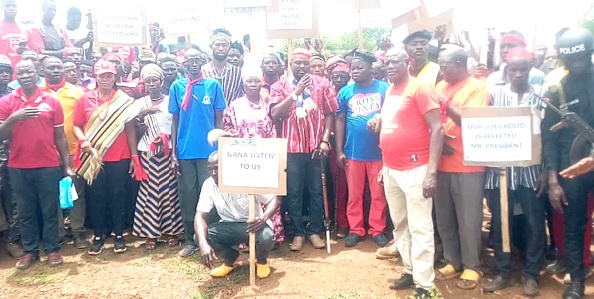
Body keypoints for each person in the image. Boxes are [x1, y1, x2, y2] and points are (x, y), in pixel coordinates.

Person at [370, 48, 444, 298]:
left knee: (420, 225)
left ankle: (424, 284)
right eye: (386, 62)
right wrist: (377, 124)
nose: (389, 65)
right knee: (400, 224)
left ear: (408, 62)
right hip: (391, 169)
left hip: (416, 168)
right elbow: (392, 125)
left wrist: (431, 172)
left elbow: (438, 129)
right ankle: (410, 270)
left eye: (395, 61)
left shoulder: (420, 89)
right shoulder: (390, 90)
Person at [480, 47, 546, 296]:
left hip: (531, 172)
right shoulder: (495, 95)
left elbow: (547, 135)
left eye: (523, 69)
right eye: (513, 70)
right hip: (501, 172)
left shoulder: (540, 95)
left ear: (530, 70)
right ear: (506, 71)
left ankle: (531, 275)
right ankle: (504, 272)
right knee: (500, 224)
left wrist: (546, 170)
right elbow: (485, 131)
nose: (518, 74)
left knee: (534, 224)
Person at [0, 59, 73, 269]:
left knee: (50, 209)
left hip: (48, 165)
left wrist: (67, 165)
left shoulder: (51, 101)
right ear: (16, 76)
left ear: (37, 73)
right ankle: (30, 251)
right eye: (20, 73)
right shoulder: (7, 102)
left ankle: (52, 250)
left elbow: (60, 137)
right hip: (18, 166)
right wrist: (14, 118)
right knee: (25, 211)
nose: (25, 76)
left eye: (29, 72)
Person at [542, 27, 594, 299]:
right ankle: (575, 281)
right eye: (572, 58)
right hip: (570, 168)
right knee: (574, 225)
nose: (578, 63)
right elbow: (549, 139)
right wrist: (553, 180)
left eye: (583, 56)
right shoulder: (557, 88)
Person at [269, 48, 338, 251]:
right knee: (294, 192)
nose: (301, 67)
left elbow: (330, 113)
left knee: (317, 191)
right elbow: (275, 114)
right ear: (290, 64)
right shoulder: (279, 86)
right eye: (297, 63)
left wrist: (325, 140)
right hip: (291, 148)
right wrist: (295, 93)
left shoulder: (322, 84)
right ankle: (298, 232)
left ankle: (314, 231)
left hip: (316, 147)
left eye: (304, 63)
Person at [432, 47, 489, 290]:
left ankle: (471, 266)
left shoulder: (477, 88)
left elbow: (470, 120)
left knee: (468, 220)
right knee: (445, 218)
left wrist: (445, 103)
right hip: (440, 165)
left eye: (446, 66)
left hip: (468, 165)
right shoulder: (439, 87)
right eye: (440, 66)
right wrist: (439, 139)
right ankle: (452, 261)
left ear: (460, 64)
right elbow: (429, 120)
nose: (442, 71)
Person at [72, 59, 139, 255]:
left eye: (109, 75)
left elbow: (130, 130)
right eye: (102, 76)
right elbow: (76, 124)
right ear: (96, 77)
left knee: (118, 195)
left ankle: (119, 235)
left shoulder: (123, 100)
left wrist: (134, 156)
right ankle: (99, 235)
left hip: (119, 156)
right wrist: (83, 140)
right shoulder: (85, 99)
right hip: (93, 157)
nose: (105, 79)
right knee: (96, 196)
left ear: (115, 77)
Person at [169, 48, 226, 258]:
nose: (193, 63)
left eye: (197, 60)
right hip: (185, 152)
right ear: (183, 64)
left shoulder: (213, 85)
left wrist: (220, 146)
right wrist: (174, 152)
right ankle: (190, 240)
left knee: (211, 195)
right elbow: (174, 121)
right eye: (189, 60)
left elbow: (219, 118)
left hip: (208, 152)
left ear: (202, 62)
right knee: (188, 195)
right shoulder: (177, 87)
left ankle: (211, 238)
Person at [222, 65, 284, 246]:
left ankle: (272, 236)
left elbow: (276, 130)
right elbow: (227, 128)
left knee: (268, 196)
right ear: (243, 83)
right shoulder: (235, 105)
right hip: (243, 161)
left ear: (261, 83)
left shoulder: (269, 104)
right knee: (247, 198)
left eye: (256, 81)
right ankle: (246, 239)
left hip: (265, 159)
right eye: (249, 81)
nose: (253, 84)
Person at [335, 50, 389, 247]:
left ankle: (377, 229)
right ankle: (356, 229)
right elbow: (339, 120)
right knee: (354, 194)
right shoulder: (345, 92)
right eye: (352, 68)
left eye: (360, 68)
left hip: (378, 152)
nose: (355, 71)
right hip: (353, 152)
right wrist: (339, 150)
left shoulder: (384, 89)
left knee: (378, 194)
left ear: (370, 69)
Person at [195, 151, 277, 279]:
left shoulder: (247, 179)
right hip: (228, 226)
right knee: (200, 236)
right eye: (210, 169)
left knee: (267, 236)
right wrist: (202, 243)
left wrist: (263, 218)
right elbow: (200, 215)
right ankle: (229, 259)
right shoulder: (208, 185)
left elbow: (273, 200)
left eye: (217, 168)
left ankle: (261, 261)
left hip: (253, 225)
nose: (214, 173)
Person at [128, 64, 182, 249]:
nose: (152, 84)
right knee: (149, 193)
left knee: (169, 191)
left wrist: (168, 142)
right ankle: (151, 233)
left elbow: (176, 125)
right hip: (147, 154)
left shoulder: (170, 101)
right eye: (148, 81)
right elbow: (131, 130)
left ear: (161, 81)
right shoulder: (138, 104)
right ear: (144, 83)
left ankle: (172, 232)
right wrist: (142, 115)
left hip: (167, 153)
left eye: (155, 80)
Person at [39, 56, 88, 249]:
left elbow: (84, 120)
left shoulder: (77, 92)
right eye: (51, 68)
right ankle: (57, 233)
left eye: (59, 67)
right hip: (46, 155)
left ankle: (78, 232)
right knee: (51, 195)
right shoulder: (38, 93)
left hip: (74, 152)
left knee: (76, 194)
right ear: (42, 71)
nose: (56, 71)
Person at [0, 54, 22, 259]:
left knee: (14, 201)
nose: (4, 74)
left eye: (7, 70)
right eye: (0, 70)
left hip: (11, 155)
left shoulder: (15, 96)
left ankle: (12, 240)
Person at [327, 59, 350, 238]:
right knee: (335, 186)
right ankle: (338, 221)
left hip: (349, 144)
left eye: (343, 75)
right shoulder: (327, 93)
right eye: (335, 76)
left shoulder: (349, 92)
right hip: (330, 146)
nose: (339, 78)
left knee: (347, 187)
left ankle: (346, 222)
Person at [202, 28, 244, 104]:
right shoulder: (202, 71)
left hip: (232, 114)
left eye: (224, 45)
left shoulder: (237, 72)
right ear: (211, 46)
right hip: (208, 114)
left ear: (229, 47)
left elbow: (241, 96)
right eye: (217, 45)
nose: (221, 48)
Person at [0, 0, 34, 77]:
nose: (11, 8)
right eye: (8, 6)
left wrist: (26, 50)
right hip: (4, 74)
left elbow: (34, 52)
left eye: (14, 6)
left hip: (24, 74)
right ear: (2, 7)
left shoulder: (26, 29)